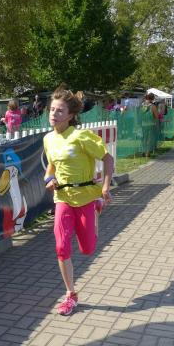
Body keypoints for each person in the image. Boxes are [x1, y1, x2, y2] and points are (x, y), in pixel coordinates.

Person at [43, 87, 114, 316]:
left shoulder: (81, 137)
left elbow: (108, 159)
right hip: (62, 197)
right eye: (52, 109)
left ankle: (96, 207)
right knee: (61, 247)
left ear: (70, 115)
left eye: (60, 110)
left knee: (87, 248)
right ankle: (70, 294)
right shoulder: (48, 139)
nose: (54, 114)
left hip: (86, 197)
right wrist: (49, 179)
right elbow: (51, 167)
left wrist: (105, 187)